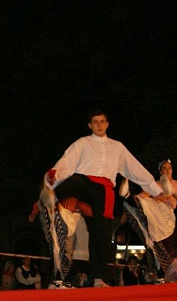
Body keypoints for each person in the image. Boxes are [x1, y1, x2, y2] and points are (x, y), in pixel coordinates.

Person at [44, 109, 165, 289]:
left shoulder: (117, 147)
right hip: (84, 181)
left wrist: (155, 190)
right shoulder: (82, 143)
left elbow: (134, 168)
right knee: (71, 179)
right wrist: (53, 178)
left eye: (102, 122)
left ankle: (99, 278)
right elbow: (66, 163)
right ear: (90, 125)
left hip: (104, 189)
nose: (99, 125)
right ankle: (50, 197)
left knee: (101, 234)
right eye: (95, 122)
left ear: (107, 124)